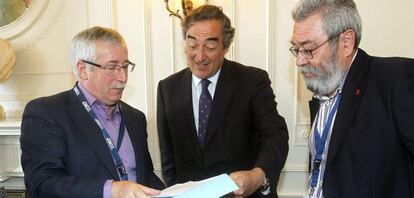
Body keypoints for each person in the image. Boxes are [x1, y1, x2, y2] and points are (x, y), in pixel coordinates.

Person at [157, 5, 289, 198]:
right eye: (192, 44)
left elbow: (275, 135)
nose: (200, 56)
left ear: (226, 46)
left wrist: (257, 175)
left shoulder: (252, 81)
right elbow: (169, 160)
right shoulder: (167, 88)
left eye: (210, 47)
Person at [20, 26, 164, 198]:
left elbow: (145, 176)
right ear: (83, 69)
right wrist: (112, 190)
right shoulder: (47, 113)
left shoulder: (136, 118)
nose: (123, 77)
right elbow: (43, 184)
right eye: (112, 68)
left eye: (125, 66)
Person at [289, 0, 414, 197]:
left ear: (346, 42)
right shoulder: (323, 91)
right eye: (296, 49)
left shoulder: (395, 80)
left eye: (308, 49)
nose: (299, 61)